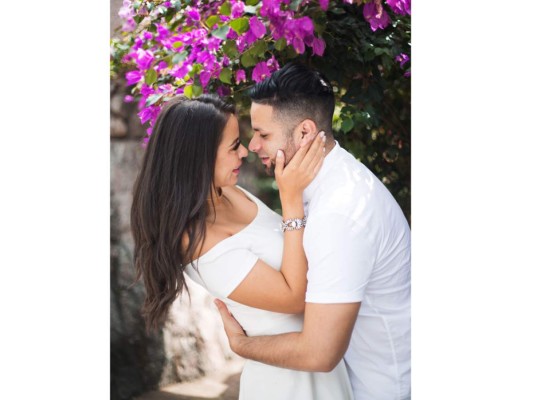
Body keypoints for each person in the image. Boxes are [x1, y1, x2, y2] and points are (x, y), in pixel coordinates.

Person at [130, 94, 354, 399]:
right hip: (289, 384)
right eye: (234, 145)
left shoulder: (228, 192)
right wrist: (291, 201)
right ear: (199, 156)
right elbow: (294, 297)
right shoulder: (201, 243)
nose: (245, 152)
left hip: (319, 360)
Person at [214, 62, 411, 400]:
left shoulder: (340, 213)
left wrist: (242, 344)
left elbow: (319, 353)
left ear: (304, 132)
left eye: (263, 134)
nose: (253, 146)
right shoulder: (332, 180)